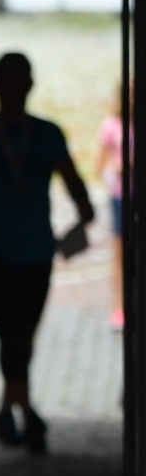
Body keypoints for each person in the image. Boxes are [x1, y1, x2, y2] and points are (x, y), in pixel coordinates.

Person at [0, 52, 94, 456]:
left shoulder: (37, 135)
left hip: (27, 252)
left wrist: (79, 220)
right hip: (5, 253)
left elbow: (76, 188)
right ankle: (25, 413)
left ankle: (11, 410)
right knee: (15, 332)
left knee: (17, 333)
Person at [95, 83, 126, 331]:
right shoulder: (111, 126)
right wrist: (118, 168)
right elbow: (100, 167)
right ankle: (120, 307)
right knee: (120, 255)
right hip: (122, 197)